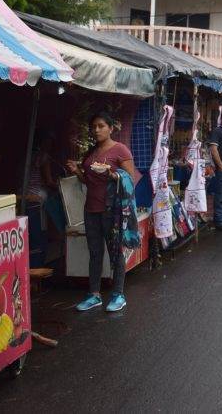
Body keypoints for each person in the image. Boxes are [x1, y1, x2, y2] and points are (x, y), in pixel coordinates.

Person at [65, 112, 139, 313]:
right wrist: (77, 171)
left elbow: (130, 180)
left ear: (110, 128)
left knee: (116, 252)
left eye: (101, 126)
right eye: (94, 127)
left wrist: (111, 174)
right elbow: (88, 181)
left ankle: (118, 294)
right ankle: (94, 294)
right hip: (91, 210)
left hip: (112, 211)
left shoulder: (120, 150)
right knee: (95, 253)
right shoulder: (92, 152)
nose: (96, 130)